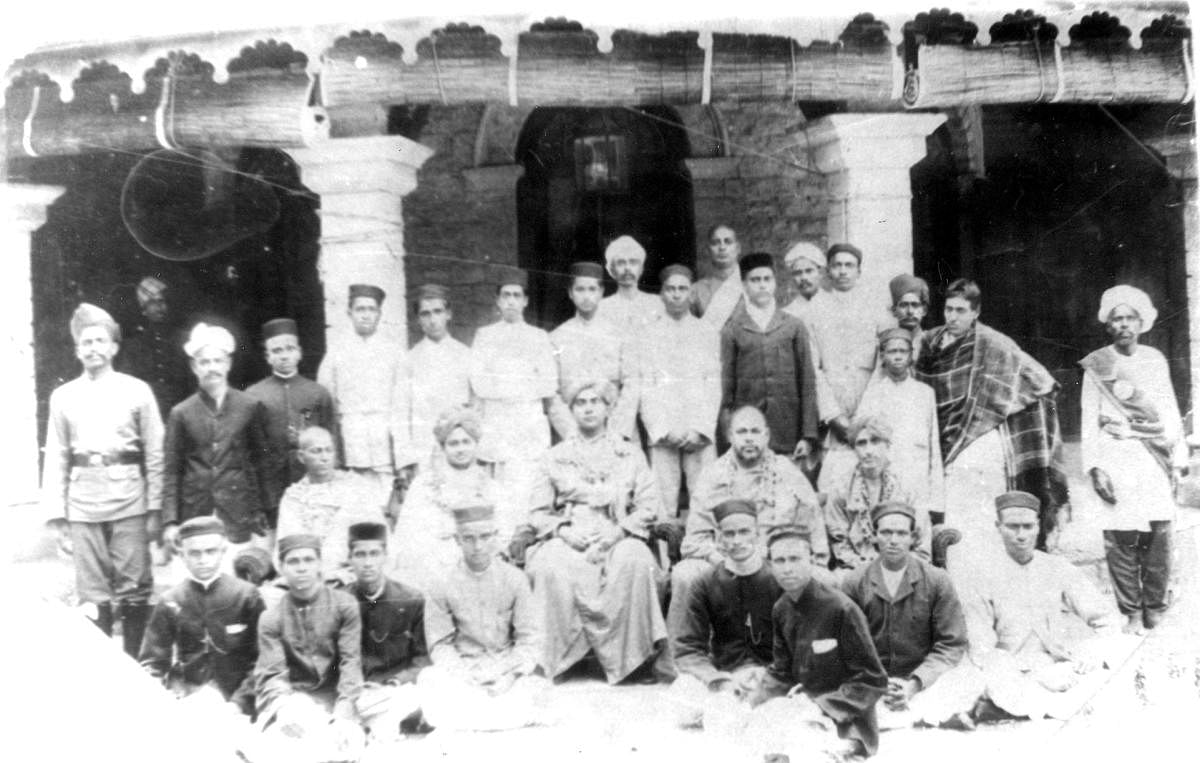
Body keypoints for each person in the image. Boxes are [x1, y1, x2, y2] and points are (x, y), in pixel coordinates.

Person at [914, 279, 1069, 582]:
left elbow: (1039, 379)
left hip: (978, 443)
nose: (953, 317)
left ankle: (993, 582)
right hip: (939, 444)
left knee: (983, 518)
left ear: (976, 311)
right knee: (953, 521)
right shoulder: (930, 343)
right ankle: (958, 584)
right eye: (948, 309)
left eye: (961, 310)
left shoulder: (994, 344)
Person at [523, 379, 670, 684]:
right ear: (572, 409)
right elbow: (537, 511)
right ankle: (561, 659)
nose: (588, 408)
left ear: (608, 407)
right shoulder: (554, 456)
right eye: (580, 402)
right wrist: (563, 532)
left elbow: (647, 506)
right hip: (570, 533)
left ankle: (634, 660)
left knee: (636, 561)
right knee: (549, 566)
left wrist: (618, 533)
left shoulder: (630, 454)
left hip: (617, 532)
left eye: (595, 401)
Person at [42, 303, 163, 655]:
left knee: (135, 587)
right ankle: (105, 668)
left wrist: (154, 507)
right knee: (93, 592)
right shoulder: (63, 397)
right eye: (86, 342)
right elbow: (57, 455)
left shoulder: (137, 390)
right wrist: (57, 516)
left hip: (128, 498)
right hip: (82, 503)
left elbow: (155, 452)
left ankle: (140, 666)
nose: (93, 348)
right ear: (77, 350)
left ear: (113, 347)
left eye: (100, 341)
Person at [963, 491, 1127, 721]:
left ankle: (1000, 708)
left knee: (1105, 672)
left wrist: (1092, 654)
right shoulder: (982, 575)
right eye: (1012, 527)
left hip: (1057, 667)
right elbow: (982, 648)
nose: (1021, 535)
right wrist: (1037, 676)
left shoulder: (1055, 567)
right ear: (997, 527)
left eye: (1028, 526)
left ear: (1038, 526)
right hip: (1008, 669)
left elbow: (1106, 618)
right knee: (984, 678)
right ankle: (1008, 703)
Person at [670, 406, 828, 639]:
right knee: (685, 574)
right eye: (742, 432)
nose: (749, 438)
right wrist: (725, 560)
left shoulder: (788, 472)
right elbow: (695, 539)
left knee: (820, 578)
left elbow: (813, 527)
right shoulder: (712, 475)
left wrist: (808, 560)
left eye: (755, 431)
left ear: (766, 435)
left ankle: (805, 659)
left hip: (774, 561)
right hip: (723, 558)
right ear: (730, 437)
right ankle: (684, 659)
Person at [1080, 285, 1186, 633]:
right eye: (1117, 319)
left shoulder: (1155, 360)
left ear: (1142, 322)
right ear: (1108, 325)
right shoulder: (1098, 365)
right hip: (1115, 459)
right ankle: (1132, 611)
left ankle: (1154, 606)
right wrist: (1095, 467)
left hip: (1152, 456)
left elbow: (1169, 409)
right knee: (1120, 536)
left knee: (1159, 533)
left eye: (1130, 318)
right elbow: (1087, 419)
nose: (1124, 324)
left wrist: (1177, 455)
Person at [755, 527, 887, 757]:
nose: (787, 568)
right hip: (802, 708)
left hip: (848, 721)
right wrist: (754, 703)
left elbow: (872, 680)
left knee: (804, 753)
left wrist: (820, 707)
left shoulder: (841, 609)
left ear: (812, 560)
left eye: (795, 559)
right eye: (780, 560)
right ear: (770, 565)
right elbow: (780, 672)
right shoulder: (781, 609)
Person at [841, 502, 973, 729]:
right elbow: (847, 644)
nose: (893, 540)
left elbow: (951, 643)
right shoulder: (855, 581)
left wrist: (914, 684)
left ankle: (907, 716)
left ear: (913, 538)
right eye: (886, 532)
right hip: (873, 681)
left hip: (923, 679)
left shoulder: (936, 580)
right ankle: (923, 718)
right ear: (874, 536)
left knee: (968, 678)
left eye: (901, 533)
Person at [419, 505, 547, 731]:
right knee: (429, 679)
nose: (478, 546)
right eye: (468, 538)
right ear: (457, 540)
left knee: (540, 687)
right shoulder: (441, 583)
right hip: (465, 672)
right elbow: (440, 645)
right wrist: (465, 675)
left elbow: (529, 639)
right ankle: (501, 718)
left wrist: (508, 675)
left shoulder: (515, 579)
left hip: (506, 670)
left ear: (495, 537)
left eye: (485, 537)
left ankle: (473, 719)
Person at [163, 322, 273, 555]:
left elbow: (261, 463)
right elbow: (172, 471)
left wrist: (265, 510)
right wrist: (171, 521)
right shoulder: (181, 413)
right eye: (204, 362)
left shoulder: (249, 406)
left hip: (238, 512)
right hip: (195, 511)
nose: (211, 368)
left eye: (217, 361)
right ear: (194, 367)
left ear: (228, 364)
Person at [253, 534, 365, 759]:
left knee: (347, 743)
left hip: (337, 699)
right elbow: (273, 674)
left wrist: (343, 712)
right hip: (296, 702)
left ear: (319, 564)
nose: (301, 568)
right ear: (281, 567)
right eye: (293, 562)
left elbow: (350, 661)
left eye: (308, 560)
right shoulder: (271, 618)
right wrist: (286, 709)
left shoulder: (344, 605)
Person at [139, 516, 264, 712]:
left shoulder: (246, 595)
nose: (203, 560)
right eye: (194, 553)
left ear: (223, 551)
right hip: (186, 699)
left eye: (210, 552)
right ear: (183, 555)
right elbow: (152, 664)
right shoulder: (171, 600)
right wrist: (168, 699)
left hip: (236, 701)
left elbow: (263, 660)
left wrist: (240, 703)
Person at [803, 244, 896, 493]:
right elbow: (812, 366)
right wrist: (833, 416)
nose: (843, 271)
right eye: (837, 265)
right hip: (833, 415)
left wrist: (864, 414)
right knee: (834, 484)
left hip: (869, 407)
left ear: (859, 271)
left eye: (849, 265)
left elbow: (883, 361)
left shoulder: (876, 308)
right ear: (828, 271)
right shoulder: (814, 309)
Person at [672, 500, 781, 700]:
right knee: (682, 694)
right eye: (729, 534)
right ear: (718, 538)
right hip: (724, 677)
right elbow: (687, 650)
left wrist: (770, 675)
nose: (737, 540)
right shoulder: (705, 583)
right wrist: (717, 679)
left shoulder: (779, 580)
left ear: (757, 533)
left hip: (772, 677)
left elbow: (798, 646)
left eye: (744, 532)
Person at [468, 268, 558, 508]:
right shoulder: (485, 335)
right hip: (497, 424)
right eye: (506, 295)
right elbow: (479, 381)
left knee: (529, 491)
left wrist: (507, 385)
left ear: (525, 301)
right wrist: (520, 383)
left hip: (527, 424)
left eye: (517, 295)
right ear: (497, 300)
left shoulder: (539, 337)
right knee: (498, 495)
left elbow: (549, 383)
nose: (511, 301)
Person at [637, 264, 721, 516]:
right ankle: (664, 553)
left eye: (682, 289)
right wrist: (662, 430)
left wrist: (701, 429)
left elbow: (713, 383)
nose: (676, 294)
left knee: (705, 498)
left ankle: (704, 551)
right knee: (662, 502)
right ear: (661, 294)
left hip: (698, 432)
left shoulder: (706, 332)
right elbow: (646, 385)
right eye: (670, 289)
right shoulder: (648, 333)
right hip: (664, 432)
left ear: (691, 294)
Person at [392, 406, 506, 591]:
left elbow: (501, 535)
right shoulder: (423, 484)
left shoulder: (491, 487)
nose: (460, 449)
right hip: (431, 562)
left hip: (475, 560)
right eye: (453, 444)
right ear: (443, 447)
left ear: (475, 444)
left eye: (466, 442)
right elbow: (406, 535)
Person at [720, 251, 818, 460]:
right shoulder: (733, 330)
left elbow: (807, 383)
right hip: (748, 432)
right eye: (755, 280)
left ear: (775, 283)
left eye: (767, 279)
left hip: (787, 430)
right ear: (744, 285)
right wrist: (729, 434)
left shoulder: (793, 326)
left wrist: (808, 435)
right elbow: (727, 392)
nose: (762, 285)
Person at [245, 317, 334, 542]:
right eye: (276, 350)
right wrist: (256, 504)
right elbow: (249, 455)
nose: (284, 355)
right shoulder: (254, 396)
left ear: (299, 353)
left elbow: (332, 444)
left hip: (313, 487)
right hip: (271, 490)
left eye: (289, 349)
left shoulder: (317, 393)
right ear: (268, 356)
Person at [318, 283, 409, 497]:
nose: (366, 315)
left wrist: (403, 459)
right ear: (349, 313)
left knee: (386, 503)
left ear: (379, 313)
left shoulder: (395, 353)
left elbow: (402, 407)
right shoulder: (336, 354)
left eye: (371, 309)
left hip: (384, 445)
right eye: (360, 309)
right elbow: (325, 402)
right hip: (351, 443)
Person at [347, 521, 431, 739]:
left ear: (385, 556)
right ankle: (379, 725)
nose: (368, 563)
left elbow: (422, 659)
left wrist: (397, 681)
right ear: (350, 559)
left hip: (398, 688)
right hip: (358, 692)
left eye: (374, 554)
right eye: (360, 554)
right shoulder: (340, 602)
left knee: (423, 691)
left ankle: (379, 723)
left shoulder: (411, 599)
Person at [274, 426, 388, 585]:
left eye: (329, 450)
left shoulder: (357, 487)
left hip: (353, 570)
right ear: (301, 456)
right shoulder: (294, 496)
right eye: (316, 451)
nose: (324, 457)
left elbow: (376, 536)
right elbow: (288, 541)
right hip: (306, 571)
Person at [823, 415, 932, 577]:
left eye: (875, 441)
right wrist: (869, 571)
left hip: (903, 568)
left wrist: (895, 570)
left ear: (887, 445)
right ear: (854, 449)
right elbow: (839, 542)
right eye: (861, 443)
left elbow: (921, 540)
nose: (868, 451)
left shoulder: (908, 486)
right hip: (857, 569)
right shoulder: (841, 489)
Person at [856, 328, 945, 526]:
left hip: (917, 481)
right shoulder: (874, 394)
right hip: (886, 481)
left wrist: (936, 501)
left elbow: (934, 446)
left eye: (902, 351)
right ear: (883, 356)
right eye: (892, 352)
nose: (897, 357)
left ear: (911, 355)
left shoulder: (925, 393)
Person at [548, 261, 638, 441]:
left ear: (601, 292)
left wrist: (617, 431)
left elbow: (632, 384)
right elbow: (552, 393)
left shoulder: (620, 334)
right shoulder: (556, 337)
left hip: (615, 431)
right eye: (580, 289)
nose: (586, 296)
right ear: (570, 293)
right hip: (573, 432)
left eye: (592, 289)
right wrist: (571, 432)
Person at [404, 285, 472, 469]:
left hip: (459, 448)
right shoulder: (409, 360)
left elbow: (476, 406)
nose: (433, 320)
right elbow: (401, 413)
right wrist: (408, 460)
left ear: (448, 314)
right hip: (424, 450)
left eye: (437, 311)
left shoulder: (466, 355)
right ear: (418, 319)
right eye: (425, 314)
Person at [118, 275, 191, 417]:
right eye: (152, 302)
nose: (159, 307)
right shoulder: (134, 346)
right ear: (144, 310)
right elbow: (127, 387)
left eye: (161, 301)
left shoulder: (183, 340)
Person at [596, 235, 663, 334]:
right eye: (621, 263)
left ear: (641, 269)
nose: (627, 268)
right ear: (612, 270)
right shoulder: (601, 307)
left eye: (633, 262)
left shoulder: (657, 303)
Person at [691, 224, 744, 327]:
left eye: (728, 242)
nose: (722, 247)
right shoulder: (696, 291)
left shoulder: (752, 286)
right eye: (715, 243)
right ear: (708, 250)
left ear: (738, 248)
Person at [888, 274, 931, 364]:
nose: (910, 311)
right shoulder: (886, 344)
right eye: (904, 305)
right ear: (894, 310)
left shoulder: (931, 343)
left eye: (915, 305)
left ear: (924, 310)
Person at [780, 241, 825, 319]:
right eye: (798, 273)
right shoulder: (788, 314)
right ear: (792, 277)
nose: (803, 277)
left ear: (820, 273)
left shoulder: (835, 307)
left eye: (809, 271)